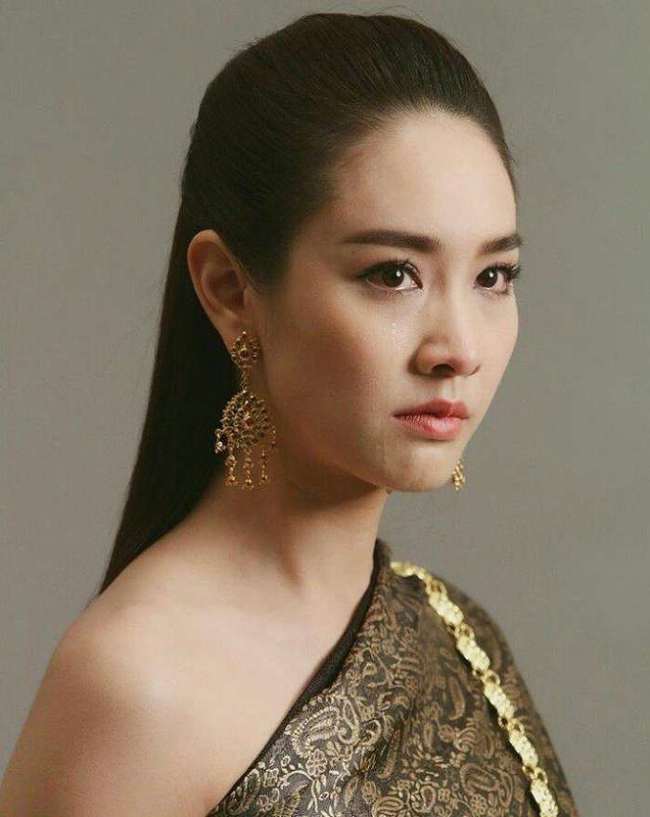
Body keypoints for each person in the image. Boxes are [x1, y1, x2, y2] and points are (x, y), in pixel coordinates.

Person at [0, 11, 580, 817]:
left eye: (493, 277)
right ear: (229, 289)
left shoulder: (459, 631)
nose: (459, 348)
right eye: (392, 273)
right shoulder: (142, 687)